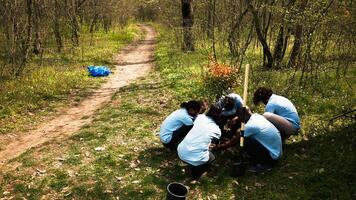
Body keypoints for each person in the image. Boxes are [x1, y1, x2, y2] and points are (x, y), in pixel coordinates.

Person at [177, 105, 222, 179]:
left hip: (180, 151)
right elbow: (216, 146)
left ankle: (191, 164)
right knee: (212, 157)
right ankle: (196, 174)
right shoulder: (217, 130)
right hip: (195, 159)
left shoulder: (200, 117)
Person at [237, 107, 282, 173]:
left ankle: (264, 164)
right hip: (277, 152)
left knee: (246, 141)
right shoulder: (257, 116)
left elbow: (238, 137)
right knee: (249, 138)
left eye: (239, 116)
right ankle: (260, 159)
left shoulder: (250, 126)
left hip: (272, 156)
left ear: (242, 116)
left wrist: (222, 146)